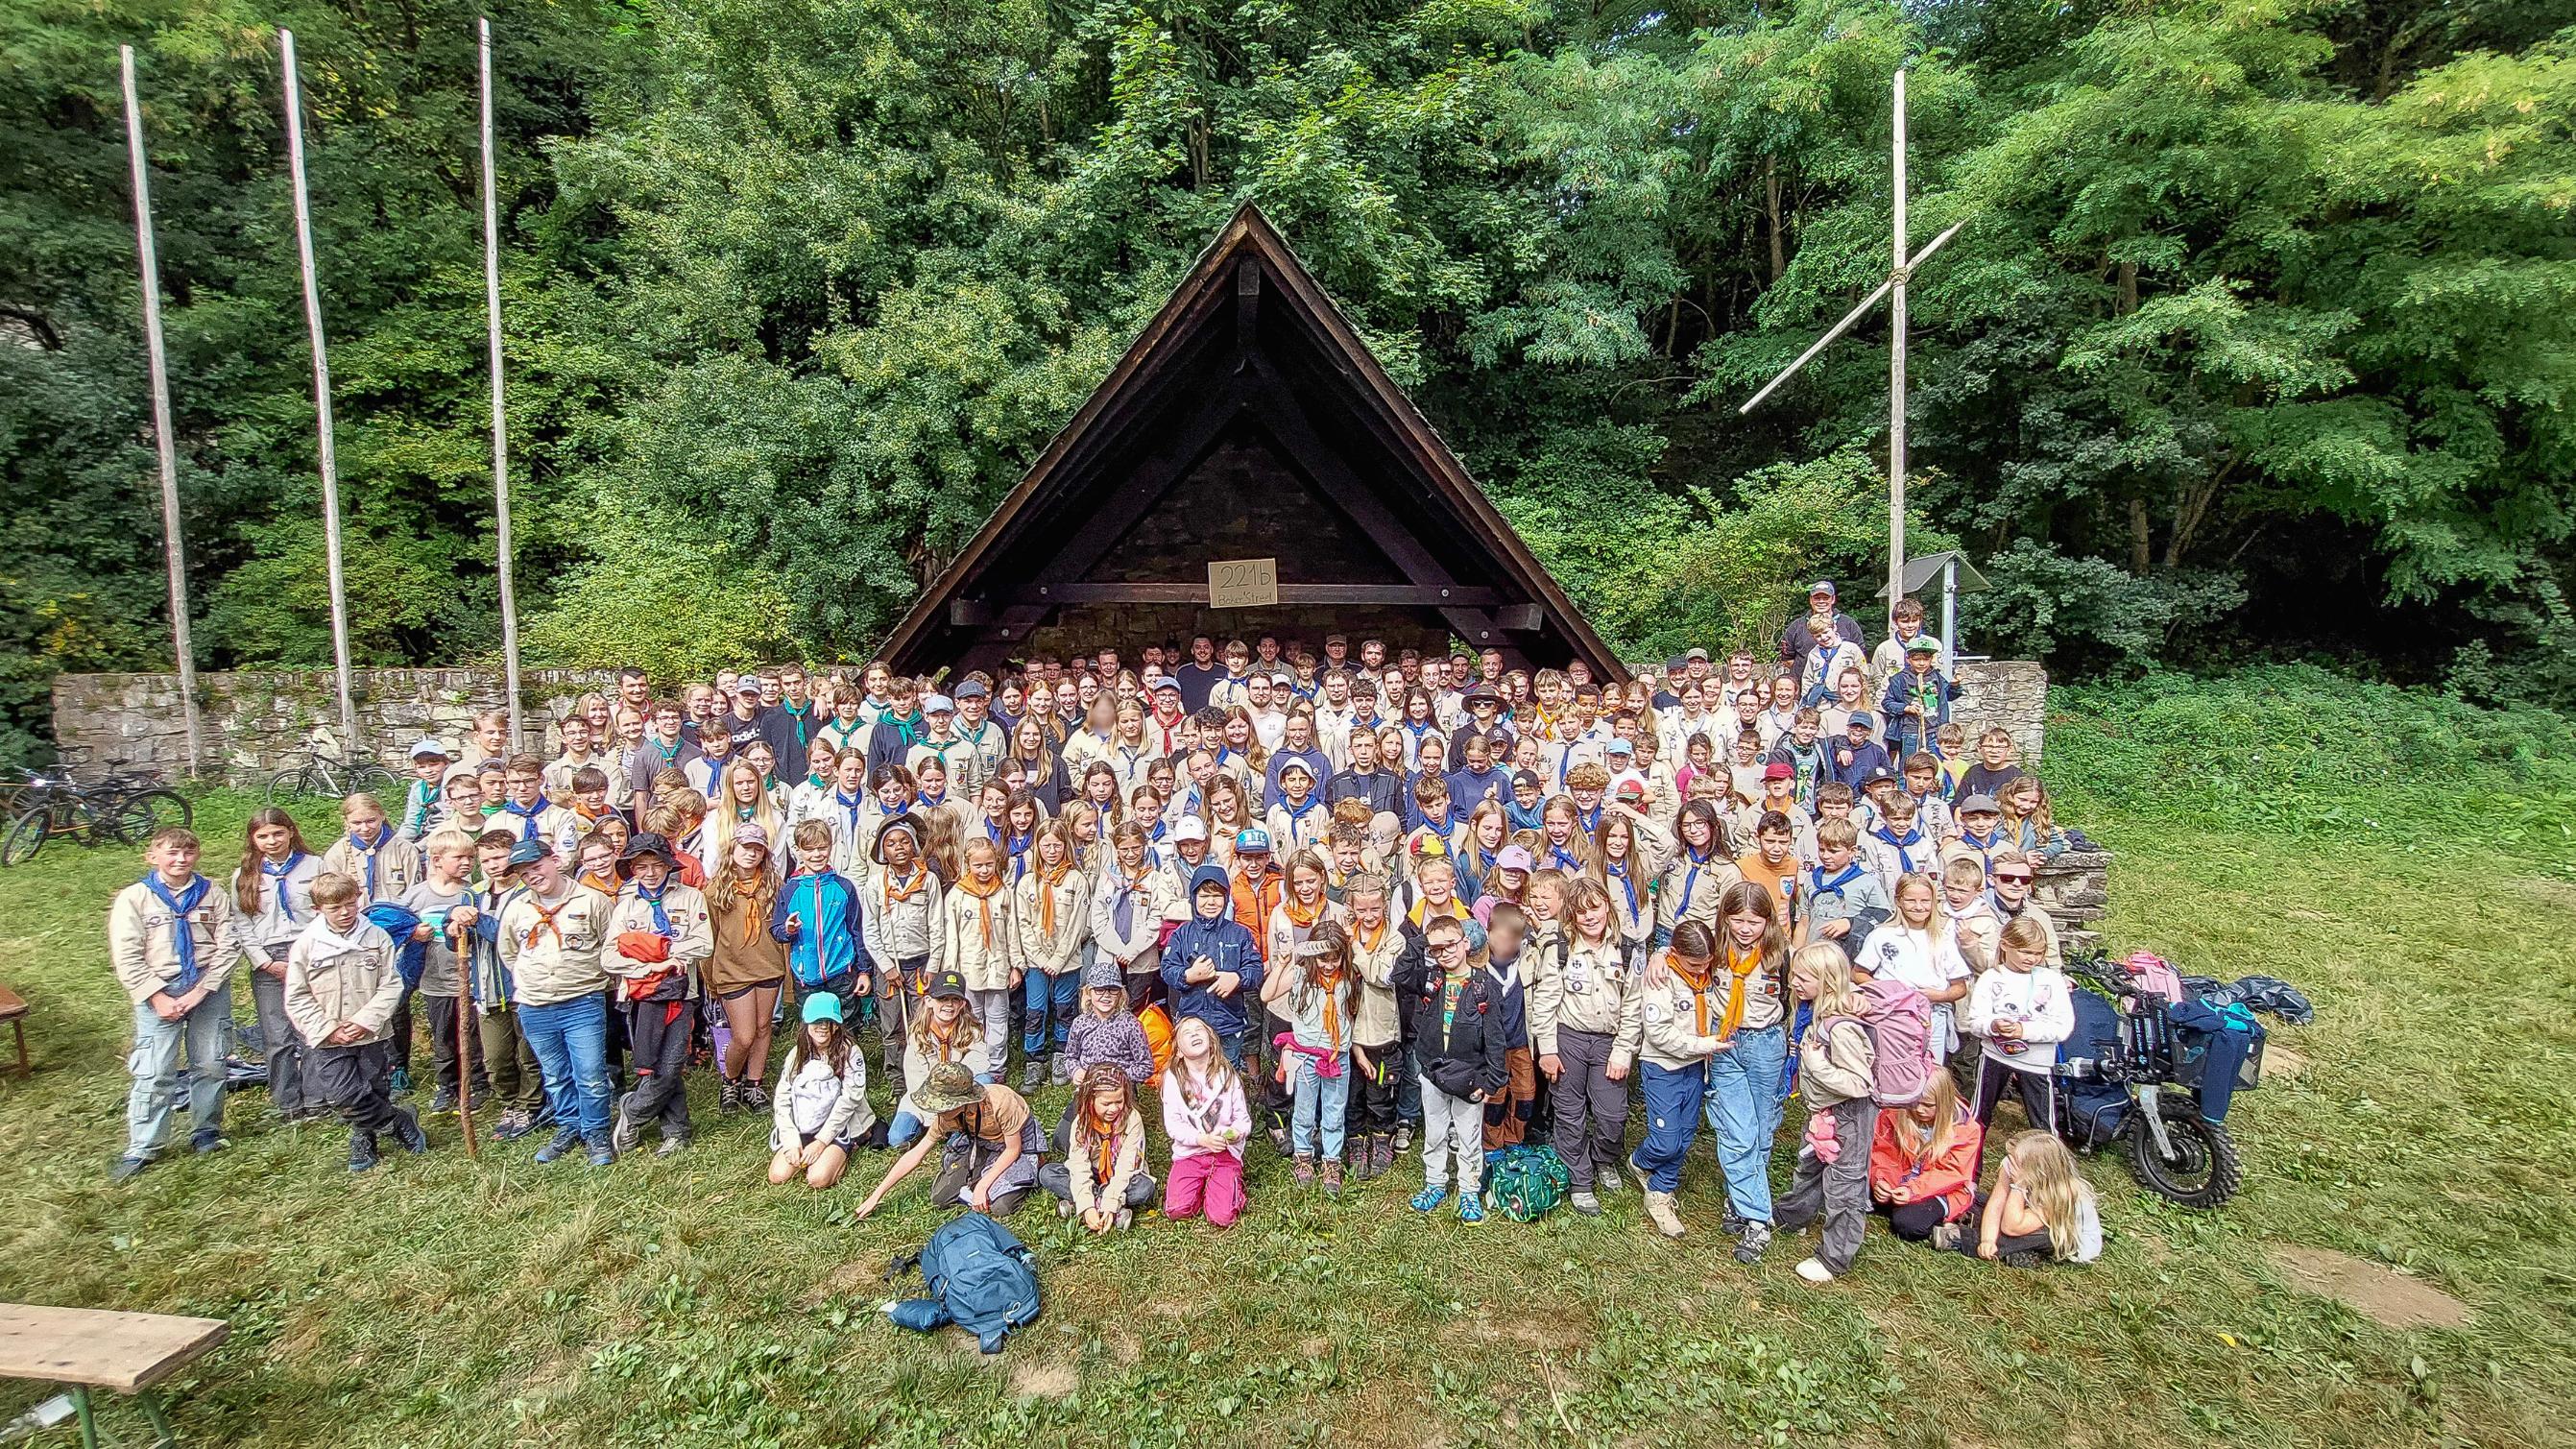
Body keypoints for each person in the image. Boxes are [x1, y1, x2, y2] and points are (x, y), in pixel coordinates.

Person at [108, 827, 245, 1181]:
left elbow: (229, 943)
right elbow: (127, 954)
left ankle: (206, 1130)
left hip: (206, 988)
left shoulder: (211, 894)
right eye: (172, 853)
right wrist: (157, 995)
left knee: (212, 1062)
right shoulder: (135, 898)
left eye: (188, 853)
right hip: (159, 992)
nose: (180, 860)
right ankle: (144, 1145)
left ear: (197, 855)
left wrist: (202, 990)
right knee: (155, 1070)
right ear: (152, 857)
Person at [284, 871, 429, 1172]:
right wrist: (327, 1029)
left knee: (374, 1088)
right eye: (335, 908)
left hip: (371, 1033)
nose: (345, 912)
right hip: (329, 1036)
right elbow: (296, 995)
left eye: (350, 904)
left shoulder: (375, 937)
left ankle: (364, 1140)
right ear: (318, 910)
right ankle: (398, 1120)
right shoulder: (307, 944)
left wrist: (366, 1020)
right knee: (343, 1095)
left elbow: (391, 984)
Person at [495, 837, 619, 1167]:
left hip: (581, 1001)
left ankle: (596, 1131)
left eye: (537, 867)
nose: (533, 877)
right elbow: (509, 952)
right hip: (535, 1006)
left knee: (590, 1072)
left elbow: (611, 945)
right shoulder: (517, 909)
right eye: (524, 873)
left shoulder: (592, 901)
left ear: (555, 860)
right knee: (554, 1073)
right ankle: (569, 1126)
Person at [1772, 944, 1879, 1285]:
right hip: (1822, 1111)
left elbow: (1859, 1083)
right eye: (1796, 975)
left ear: (1829, 981)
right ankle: (1795, 1215)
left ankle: (1835, 1257)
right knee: (1810, 1165)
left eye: (1805, 977)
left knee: (1844, 1186)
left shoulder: (1842, 1027)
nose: (1795, 983)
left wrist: (1817, 1064)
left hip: (1849, 1115)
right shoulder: (1810, 1012)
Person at [606, 833, 713, 1157]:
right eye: (642, 867)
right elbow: (609, 957)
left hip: (681, 993)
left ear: (669, 865)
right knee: (654, 1065)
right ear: (632, 869)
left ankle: (633, 1110)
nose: (650, 873)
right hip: (640, 996)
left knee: (672, 1062)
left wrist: (661, 950)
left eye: (657, 865)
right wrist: (653, 965)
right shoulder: (626, 906)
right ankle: (676, 1130)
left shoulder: (691, 898)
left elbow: (704, 943)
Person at [1394, 913, 1506, 1224]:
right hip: (1432, 1069)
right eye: (1437, 949)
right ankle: (1435, 1183)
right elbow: (1399, 974)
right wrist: (1421, 943)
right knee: (1435, 1132)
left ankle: (1469, 1190)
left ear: (1466, 943)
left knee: (1469, 1136)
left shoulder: (1484, 986)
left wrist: (1492, 1079)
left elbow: (1496, 1036)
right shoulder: (1431, 978)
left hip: (1470, 1074)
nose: (1445, 953)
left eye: (1451, 945)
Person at [1530, 878, 1632, 1216]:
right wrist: (1547, 1049)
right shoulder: (1560, 950)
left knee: (1612, 1114)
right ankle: (1580, 1178)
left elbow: (1634, 1006)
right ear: (1570, 916)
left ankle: (1604, 1158)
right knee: (1569, 1113)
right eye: (1580, 912)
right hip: (1568, 1038)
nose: (1590, 917)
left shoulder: (1627, 950)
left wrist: (1623, 1050)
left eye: (1595, 908)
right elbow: (1545, 1002)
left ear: (1607, 907)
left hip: (1608, 1042)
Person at [854, 1060, 1043, 1219]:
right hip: (980, 1144)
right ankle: (981, 1175)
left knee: (1001, 1207)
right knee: (940, 1198)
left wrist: (983, 1185)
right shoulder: (946, 1117)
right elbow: (916, 1154)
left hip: (1013, 1146)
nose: (939, 1110)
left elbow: (1013, 1150)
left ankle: (1023, 1175)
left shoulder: (1001, 1102)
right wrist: (876, 1195)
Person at [236, 807, 323, 1123]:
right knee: (277, 1034)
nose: (271, 841)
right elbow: (242, 924)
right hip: (268, 960)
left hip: (309, 953)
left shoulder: (315, 865)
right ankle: (287, 1101)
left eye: (278, 833)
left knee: (311, 1028)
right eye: (263, 836)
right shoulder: (245, 874)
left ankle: (317, 1097)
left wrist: (306, 955)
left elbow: (323, 911)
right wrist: (264, 961)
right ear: (253, 840)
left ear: (290, 833)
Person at [1261, 920, 1361, 1194]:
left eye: (1334, 958)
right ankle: (1303, 1157)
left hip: (1336, 1057)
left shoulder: (1349, 978)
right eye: (1322, 959)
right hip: (1306, 1056)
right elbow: (1266, 994)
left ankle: (1331, 1161)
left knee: (1334, 1112)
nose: (1329, 965)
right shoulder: (1300, 975)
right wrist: (1281, 963)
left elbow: (1350, 1015)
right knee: (1304, 1111)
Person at [1965, 916, 2075, 1157]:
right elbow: (1974, 1021)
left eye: (2038, 953)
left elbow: (2063, 1027)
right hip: (1995, 1057)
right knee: (1978, 1118)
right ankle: (1967, 1175)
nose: (2032, 958)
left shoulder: (2051, 980)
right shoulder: (1991, 977)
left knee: (2043, 1126)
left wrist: (2024, 1032)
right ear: (2005, 945)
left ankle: (2051, 1180)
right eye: (2025, 952)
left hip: (2036, 1063)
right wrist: (1994, 1025)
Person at [402, 829, 489, 1115]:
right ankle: (446, 1085)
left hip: (471, 980)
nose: (467, 863)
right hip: (435, 980)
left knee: (474, 1035)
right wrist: (414, 935)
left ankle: (478, 1083)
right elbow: (399, 931)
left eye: (471, 857)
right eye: (460, 857)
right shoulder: (416, 897)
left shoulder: (473, 892)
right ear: (437, 860)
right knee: (443, 1036)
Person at [704, 823, 787, 1113]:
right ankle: (731, 1079)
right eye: (745, 847)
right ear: (733, 849)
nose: (751, 853)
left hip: (768, 966)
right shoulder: (716, 890)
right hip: (732, 970)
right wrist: (710, 978)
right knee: (744, 1035)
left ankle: (755, 1083)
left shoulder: (774, 885)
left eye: (757, 849)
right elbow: (709, 937)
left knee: (764, 1028)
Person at [859, 814, 943, 1076]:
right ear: (883, 850)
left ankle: (925, 1070)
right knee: (893, 1023)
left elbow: (938, 926)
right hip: (891, 967)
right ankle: (897, 1076)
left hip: (921, 963)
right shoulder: (876, 886)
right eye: (891, 843)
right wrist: (886, 967)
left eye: (905, 842)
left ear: (914, 846)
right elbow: (870, 929)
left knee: (923, 1020)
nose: (899, 848)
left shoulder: (928, 881)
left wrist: (933, 966)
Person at [1940, 1131, 2102, 1267]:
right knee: (1977, 1200)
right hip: (2023, 1213)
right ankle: (2019, 1252)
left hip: (2064, 1235)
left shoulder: (2062, 1193)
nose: (2010, 1164)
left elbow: (2011, 1227)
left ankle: (1962, 1239)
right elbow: (1996, 1204)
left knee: (2042, 1236)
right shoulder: (2014, 1163)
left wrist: (2018, 1185)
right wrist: (1988, 1238)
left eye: (2016, 1162)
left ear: (2038, 1171)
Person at [1160, 862, 1265, 1068]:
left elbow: (1255, 969)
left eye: (1217, 896)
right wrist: (1189, 976)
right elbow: (1167, 969)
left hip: (1229, 1023)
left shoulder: (1240, 933)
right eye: (1204, 896)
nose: (1211, 902)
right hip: (1193, 1023)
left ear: (1226, 899)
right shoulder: (1182, 934)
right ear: (1193, 898)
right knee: (1193, 1076)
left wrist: (1237, 978)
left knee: (1227, 1074)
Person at [1855, 874, 1971, 1054]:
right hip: (1892, 1014)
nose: (1918, 907)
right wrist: (1889, 991)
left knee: (1930, 1070)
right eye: (1911, 900)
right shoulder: (1882, 934)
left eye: (1925, 901)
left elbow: (1960, 987)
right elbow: (1859, 973)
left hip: (1932, 1014)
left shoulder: (1943, 939)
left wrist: (1939, 995)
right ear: (1899, 901)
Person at [768, 992, 874, 1191]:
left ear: (837, 1024)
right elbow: (782, 1099)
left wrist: (821, 1142)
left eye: (829, 1021)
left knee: (817, 1179)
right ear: (806, 1022)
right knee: (778, 1176)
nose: (823, 1027)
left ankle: (845, 1150)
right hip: (803, 1126)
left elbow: (849, 1100)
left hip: (839, 1128)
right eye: (817, 1021)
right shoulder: (796, 1054)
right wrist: (791, 1141)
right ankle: (807, 1151)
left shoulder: (850, 1052)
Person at [1014, 821, 1090, 1088]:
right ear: (1037, 847)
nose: (1052, 850)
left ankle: (1062, 1054)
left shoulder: (1076, 880)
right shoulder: (1027, 883)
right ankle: (1034, 1059)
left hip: (1067, 961)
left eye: (1057, 845)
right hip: (1037, 961)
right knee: (1035, 1010)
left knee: (1065, 1009)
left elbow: (1076, 924)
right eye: (1046, 845)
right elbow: (1022, 924)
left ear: (1065, 846)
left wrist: (1058, 960)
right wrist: (1041, 959)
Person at [1868, 1071, 1984, 1244]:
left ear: (1944, 1103)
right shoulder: (1894, 1113)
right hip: (1902, 1186)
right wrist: (1881, 1181)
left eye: (1929, 1105)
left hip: (1940, 1190)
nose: (1920, 1110)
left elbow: (1950, 1173)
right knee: (1856, 1190)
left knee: (1908, 1225)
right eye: (1915, 1103)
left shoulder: (1966, 1129)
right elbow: (1884, 1154)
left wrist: (1913, 1191)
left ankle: (1963, 1222)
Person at [1161, 1015, 1250, 1227]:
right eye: (1187, 1033)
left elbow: (1243, 1121)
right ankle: (1199, 1188)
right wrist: (1201, 1140)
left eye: (1199, 1030)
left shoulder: (1228, 1076)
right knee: (1177, 1210)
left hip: (1224, 1153)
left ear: (1211, 1040)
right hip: (1189, 1154)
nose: (1194, 1033)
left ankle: (1226, 1184)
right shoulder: (1172, 1079)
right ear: (1179, 1052)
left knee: (1222, 1217)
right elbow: (1173, 1126)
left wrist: (1234, 1134)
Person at [1042, 1068, 1157, 1231]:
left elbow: (1128, 1166)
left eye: (1119, 1102)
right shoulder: (1081, 1122)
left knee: (1144, 1188)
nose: (1114, 1109)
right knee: (1047, 1173)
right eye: (1106, 1103)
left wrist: (1110, 1203)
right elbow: (1079, 1165)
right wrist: (1087, 1206)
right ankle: (1100, 1207)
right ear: (1091, 1100)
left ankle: (1084, 1206)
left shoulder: (1133, 1119)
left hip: (1121, 1175)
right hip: (1092, 1170)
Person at [941, 837, 1019, 1063]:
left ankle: (996, 1065)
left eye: (989, 864)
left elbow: (1012, 931)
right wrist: (951, 972)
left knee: (998, 1019)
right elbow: (951, 936)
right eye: (978, 865)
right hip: (968, 970)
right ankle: (974, 1063)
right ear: (968, 865)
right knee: (971, 1019)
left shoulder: (1003, 893)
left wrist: (1016, 966)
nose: (984, 870)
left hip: (998, 968)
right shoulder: (957, 895)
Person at [1092, 822, 1174, 1011]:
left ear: (1144, 846)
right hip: (1110, 958)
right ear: (1117, 849)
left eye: (1136, 848)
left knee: (1137, 1012)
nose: (1130, 854)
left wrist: (1131, 950)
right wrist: (1119, 949)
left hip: (1142, 961)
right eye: (1124, 849)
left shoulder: (1153, 877)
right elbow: (1098, 917)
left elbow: (1155, 918)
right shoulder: (1107, 877)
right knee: (1108, 1009)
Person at [1062, 959, 1155, 1085]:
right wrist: (1076, 1071)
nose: (1106, 995)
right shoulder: (1080, 1023)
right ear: (1089, 992)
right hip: (1088, 1086)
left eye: (1112, 990)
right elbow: (1070, 1057)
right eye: (1099, 990)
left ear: (1120, 994)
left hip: (1120, 1088)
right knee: (1076, 1106)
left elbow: (1146, 1066)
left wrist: (1117, 1077)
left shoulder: (1131, 1025)